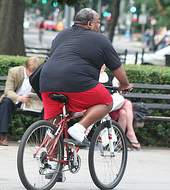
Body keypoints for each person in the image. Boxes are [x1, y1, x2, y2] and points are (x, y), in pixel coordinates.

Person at [40, 8, 133, 145]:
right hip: (76, 82)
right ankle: (79, 128)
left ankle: (52, 162)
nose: (99, 26)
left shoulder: (62, 34)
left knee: (55, 127)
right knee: (107, 102)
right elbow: (116, 67)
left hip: (46, 81)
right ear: (90, 24)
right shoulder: (101, 40)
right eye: (98, 22)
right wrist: (125, 85)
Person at [0, 57, 41, 146]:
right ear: (25, 67)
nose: (31, 74)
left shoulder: (38, 75)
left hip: (30, 102)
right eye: (29, 71)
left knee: (47, 108)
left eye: (34, 72)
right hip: (15, 100)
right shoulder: (14, 71)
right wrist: (19, 98)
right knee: (6, 102)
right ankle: (4, 136)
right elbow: (8, 91)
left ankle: (43, 139)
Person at [99, 64, 141, 150]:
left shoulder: (111, 77)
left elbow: (117, 93)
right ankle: (127, 135)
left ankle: (123, 139)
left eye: (104, 65)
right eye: (101, 64)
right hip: (101, 105)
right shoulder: (93, 77)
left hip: (114, 103)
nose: (102, 66)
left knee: (124, 111)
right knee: (126, 107)